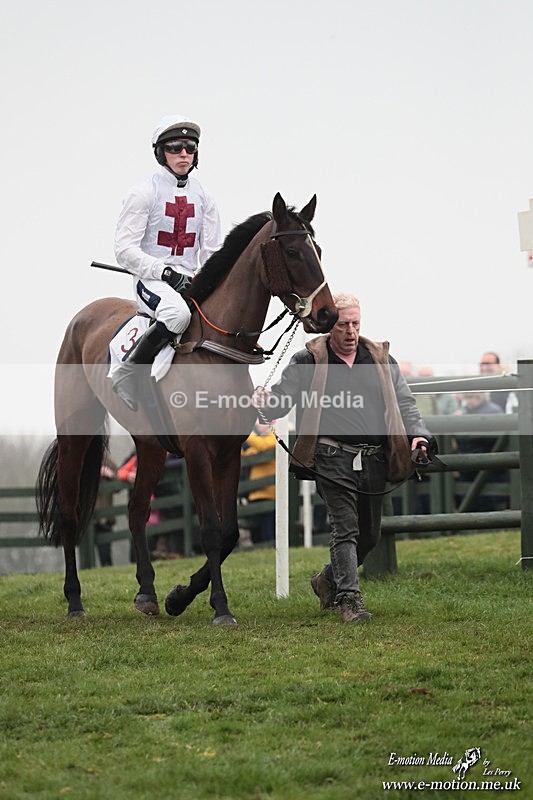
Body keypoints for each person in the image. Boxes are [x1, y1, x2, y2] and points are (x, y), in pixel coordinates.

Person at [252, 293, 436, 624]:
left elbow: (405, 403)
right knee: (345, 528)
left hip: (374, 458)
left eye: (355, 324)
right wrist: (263, 401)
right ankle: (349, 599)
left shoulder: (380, 359)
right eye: (343, 325)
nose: (350, 332)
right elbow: (279, 404)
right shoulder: (307, 360)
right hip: (330, 456)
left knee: (370, 536)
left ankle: (326, 580)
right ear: (329, 326)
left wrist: (419, 435)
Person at [111, 114, 223, 411]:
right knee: (177, 315)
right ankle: (128, 374)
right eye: (175, 147)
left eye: (190, 147)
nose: (184, 153)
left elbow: (212, 251)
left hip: (191, 280)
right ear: (161, 152)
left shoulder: (205, 196)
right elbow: (124, 250)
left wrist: (207, 281)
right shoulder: (143, 192)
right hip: (152, 280)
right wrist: (165, 272)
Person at [454, 392, 508, 512]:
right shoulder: (464, 411)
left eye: (472, 397)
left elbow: (494, 437)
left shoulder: (493, 411)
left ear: (481, 398)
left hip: (488, 462)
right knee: (469, 496)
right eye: (467, 398)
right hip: (467, 462)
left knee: (489, 497)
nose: (469, 401)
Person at [241, 420, 277, 544]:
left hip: (269, 494)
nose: (258, 426)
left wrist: (247, 433)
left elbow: (263, 446)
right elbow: (246, 454)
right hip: (256, 494)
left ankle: (272, 552)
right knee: (258, 533)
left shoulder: (274, 436)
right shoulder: (256, 443)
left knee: (269, 530)